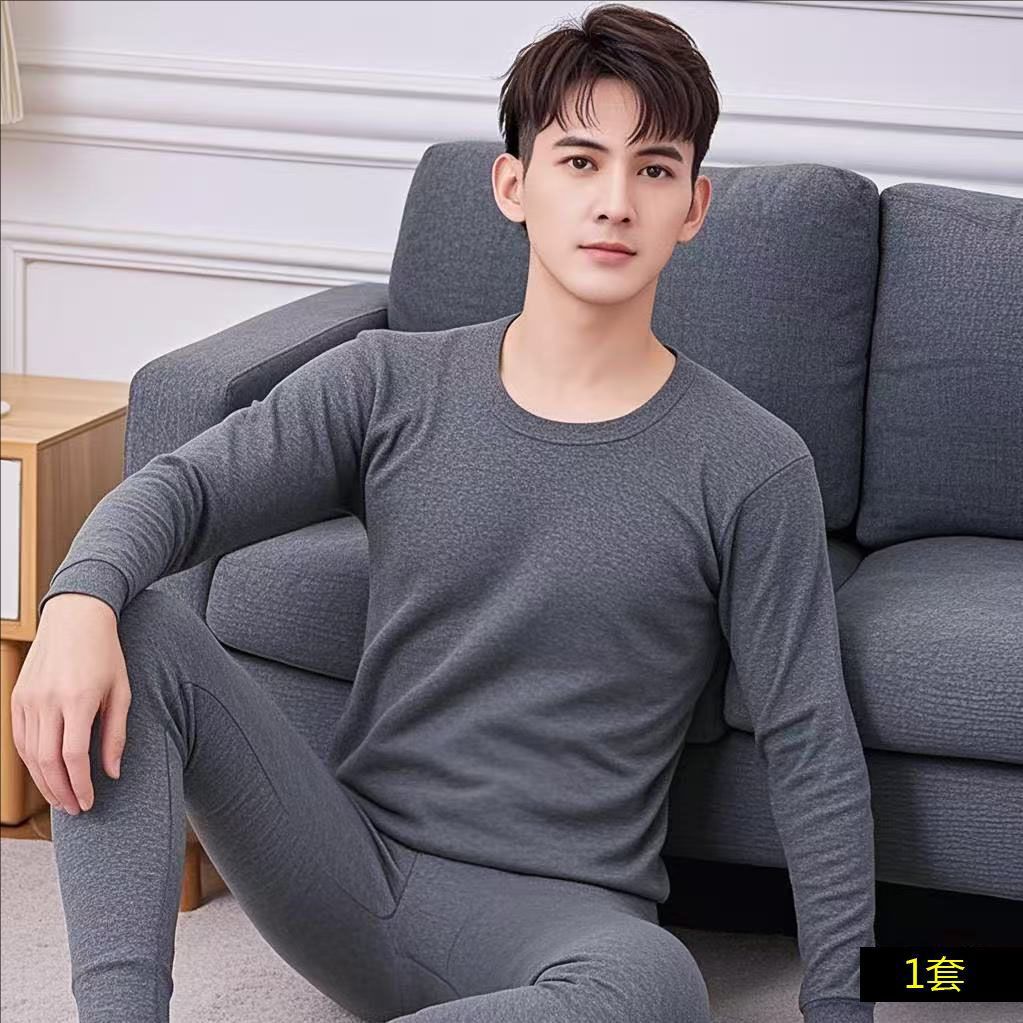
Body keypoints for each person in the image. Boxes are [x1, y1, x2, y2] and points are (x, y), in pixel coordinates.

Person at [12, 4, 876, 1021]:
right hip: (347, 873)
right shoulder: (389, 384)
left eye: (653, 169)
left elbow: (811, 745)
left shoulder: (752, 462)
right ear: (513, 185)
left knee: (659, 988)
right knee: (133, 621)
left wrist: (843, 1009)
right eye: (580, 162)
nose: (614, 202)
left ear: (693, 205)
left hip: (566, 927)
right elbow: (182, 490)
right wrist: (76, 601)